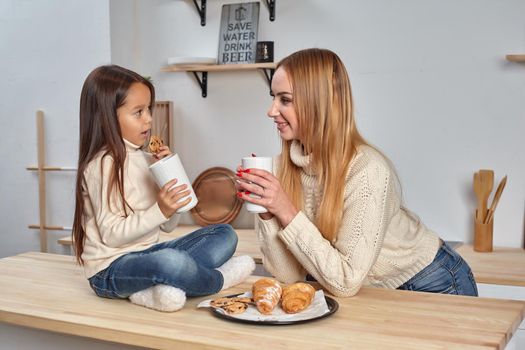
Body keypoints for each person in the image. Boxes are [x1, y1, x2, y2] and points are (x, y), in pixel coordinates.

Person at [236, 48, 477, 297]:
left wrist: (285, 209)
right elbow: (289, 277)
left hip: (434, 282)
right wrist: (267, 211)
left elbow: (345, 281)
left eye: (284, 100)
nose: (271, 110)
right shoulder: (281, 169)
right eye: (273, 97)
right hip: (367, 291)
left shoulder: (367, 169)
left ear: (317, 103)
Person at [72, 65, 254, 312]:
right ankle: (218, 280)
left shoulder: (145, 158)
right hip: (111, 269)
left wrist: (169, 175)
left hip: (148, 254)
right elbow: (111, 235)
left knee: (225, 234)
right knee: (171, 262)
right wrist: (160, 208)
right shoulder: (102, 165)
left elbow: (167, 225)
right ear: (107, 116)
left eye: (149, 109)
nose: (148, 118)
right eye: (138, 112)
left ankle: (155, 288)